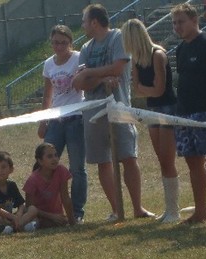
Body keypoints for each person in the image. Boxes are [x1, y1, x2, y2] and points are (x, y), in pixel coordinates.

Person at [72, 4, 154, 221]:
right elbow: (80, 83)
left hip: (119, 109)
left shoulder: (118, 37)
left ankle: (138, 208)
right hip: (93, 112)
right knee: (103, 161)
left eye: (84, 21)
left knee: (128, 156)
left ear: (94, 22)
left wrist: (90, 72)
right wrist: (100, 79)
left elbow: (119, 67)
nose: (82, 25)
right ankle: (117, 210)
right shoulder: (86, 48)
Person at [171, 2, 206, 224]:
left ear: (195, 21)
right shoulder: (180, 49)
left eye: (181, 22)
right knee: (194, 163)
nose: (177, 27)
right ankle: (200, 212)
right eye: (174, 23)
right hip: (184, 114)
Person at [122, 18, 180, 223]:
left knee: (167, 160)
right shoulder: (137, 59)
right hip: (152, 109)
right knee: (161, 159)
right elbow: (137, 89)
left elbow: (159, 89)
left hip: (167, 108)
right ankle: (169, 209)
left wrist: (146, 89)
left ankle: (173, 210)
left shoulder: (158, 54)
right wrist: (148, 89)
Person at [39, 24, 88, 224]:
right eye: (56, 42)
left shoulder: (78, 58)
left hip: (76, 119)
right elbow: (48, 94)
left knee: (77, 168)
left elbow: (85, 83)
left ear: (71, 43)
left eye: (64, 43)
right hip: (56, 121)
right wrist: (43, 120)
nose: (59, 46)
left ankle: (76, 212)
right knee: (44, 164)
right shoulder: (48, 64)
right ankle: (44, 209)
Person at [0, 151, 40, 234]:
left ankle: (17, 226)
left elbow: (21, 204)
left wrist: (18, 215)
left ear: (11, 169)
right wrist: (13, 217)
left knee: (33, 209)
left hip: (9, 218)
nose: (0, 170)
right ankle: (12, 227)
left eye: (3, 167)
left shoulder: (12, 185)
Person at [23, 143, 77, 228]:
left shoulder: (61, 170)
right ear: (40, 161)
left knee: (60, 223)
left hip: (57, 216)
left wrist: (72, 223)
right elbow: (29, 208)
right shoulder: (33, 180)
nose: (55, 159)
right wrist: (51, 216)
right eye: (49, 156)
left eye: (56, 155)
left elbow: (66, 198)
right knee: (38, 224)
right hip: (40, 218)